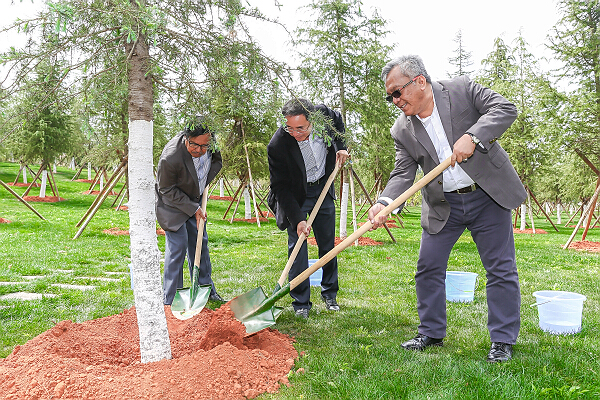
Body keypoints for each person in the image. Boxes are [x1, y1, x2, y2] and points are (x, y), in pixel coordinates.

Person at [368, 55, 526, 363]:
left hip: (486, 196)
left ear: (420, 82)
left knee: (500, 268)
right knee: (428, 267)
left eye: (397, 92)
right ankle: (431, 332)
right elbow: (402, 172)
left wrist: (473, 136)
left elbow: (505, 108)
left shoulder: (461, 89)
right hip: (443, 204)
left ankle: (502, 340)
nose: (394, 101)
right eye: (390, 97)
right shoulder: (401, 130)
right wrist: (384, 203)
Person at [267, 98, 350, 319]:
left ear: (312, 120)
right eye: (290, 128)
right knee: (297, 246)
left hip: (323, 185)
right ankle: (301, 302)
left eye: (301, 128)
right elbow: (280, 187)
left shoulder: (324, 116)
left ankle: (330, 293)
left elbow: (338, 121)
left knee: (327, 244)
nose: (295, 133)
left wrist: (341, 147)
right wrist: (298, 219)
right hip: (296, 195)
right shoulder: (278, 145)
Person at [155, 117, 225, 306]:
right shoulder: (171, 157)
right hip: (172, 203)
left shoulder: (211, 146)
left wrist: (199, 196)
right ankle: (171, 298)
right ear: (185, 138)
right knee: (177, 246)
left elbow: (216, 162)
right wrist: (192, 207)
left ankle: (205, 289)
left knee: (199, 243)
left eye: (204, 146)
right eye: (194, 144)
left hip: (195, 198)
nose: (199, 150)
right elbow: (165, 189)